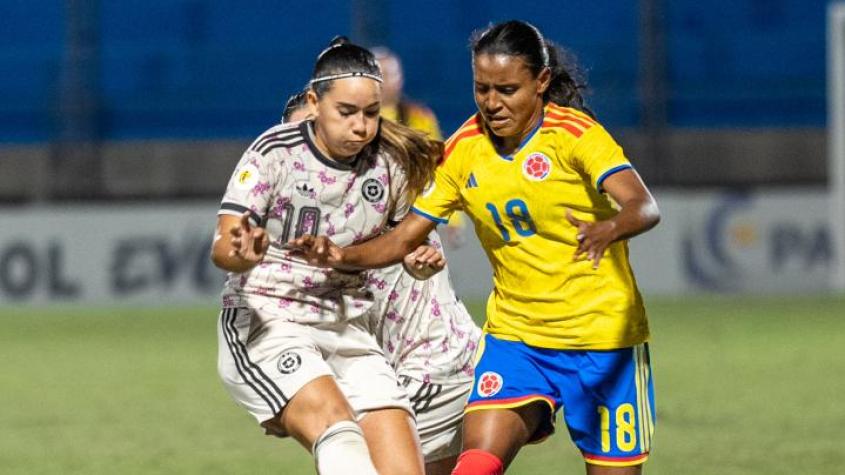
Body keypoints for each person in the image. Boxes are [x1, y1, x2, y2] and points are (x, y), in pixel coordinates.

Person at [289, 20, 661, 475]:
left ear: (541, 82)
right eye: (482, 88)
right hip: (518, 340)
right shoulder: (465, 148)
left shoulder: (576, 135)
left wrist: (611, 228)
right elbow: (406, 236)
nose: (492, 102)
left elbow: (643, 206)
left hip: (605, 343)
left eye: (507, 89)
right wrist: (341, 256)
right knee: (475, 467)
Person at [211, 37, 443, 475]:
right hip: (267, 320)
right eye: (347, 112)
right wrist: (242, 253)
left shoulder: (388, 165)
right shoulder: (274, 153)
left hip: (346, 326)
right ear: (315, 102)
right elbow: (225, 246)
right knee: (339, 432)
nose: (362, 126)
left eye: (371, 114)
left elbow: (397, 242)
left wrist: (413, 258)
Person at [284, 89, 482, 475]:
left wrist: (415, 257)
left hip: (434, 367)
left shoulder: (378, 187)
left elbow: (406, 240)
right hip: (420, 369)